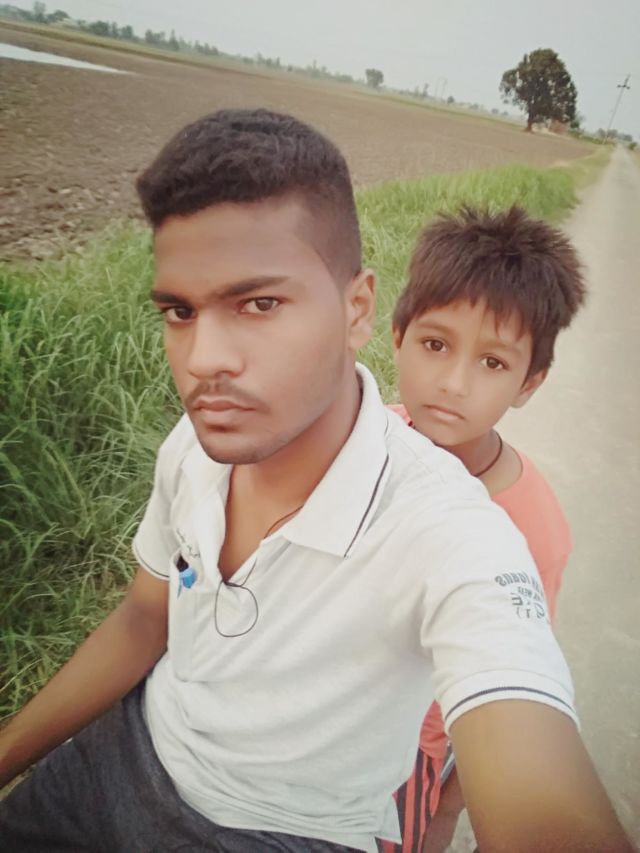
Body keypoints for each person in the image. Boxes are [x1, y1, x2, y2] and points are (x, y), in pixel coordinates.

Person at [0, 110, 631, 853]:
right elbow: (146, 617)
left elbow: (523, 734)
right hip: (123, 748)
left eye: (259, 303)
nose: (204, 360)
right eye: (179, 310)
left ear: (357, 309)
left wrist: (443, 809)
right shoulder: (196, 444)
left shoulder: (468, 533)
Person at [383, 206, 587, 853]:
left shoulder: (530, 528)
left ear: (530, 383)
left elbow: (512, 669)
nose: (453, 383)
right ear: (397, 336)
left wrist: (448, 804)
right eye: (435, 345)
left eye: (493, 363)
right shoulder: (366, 441)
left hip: (408, 751)